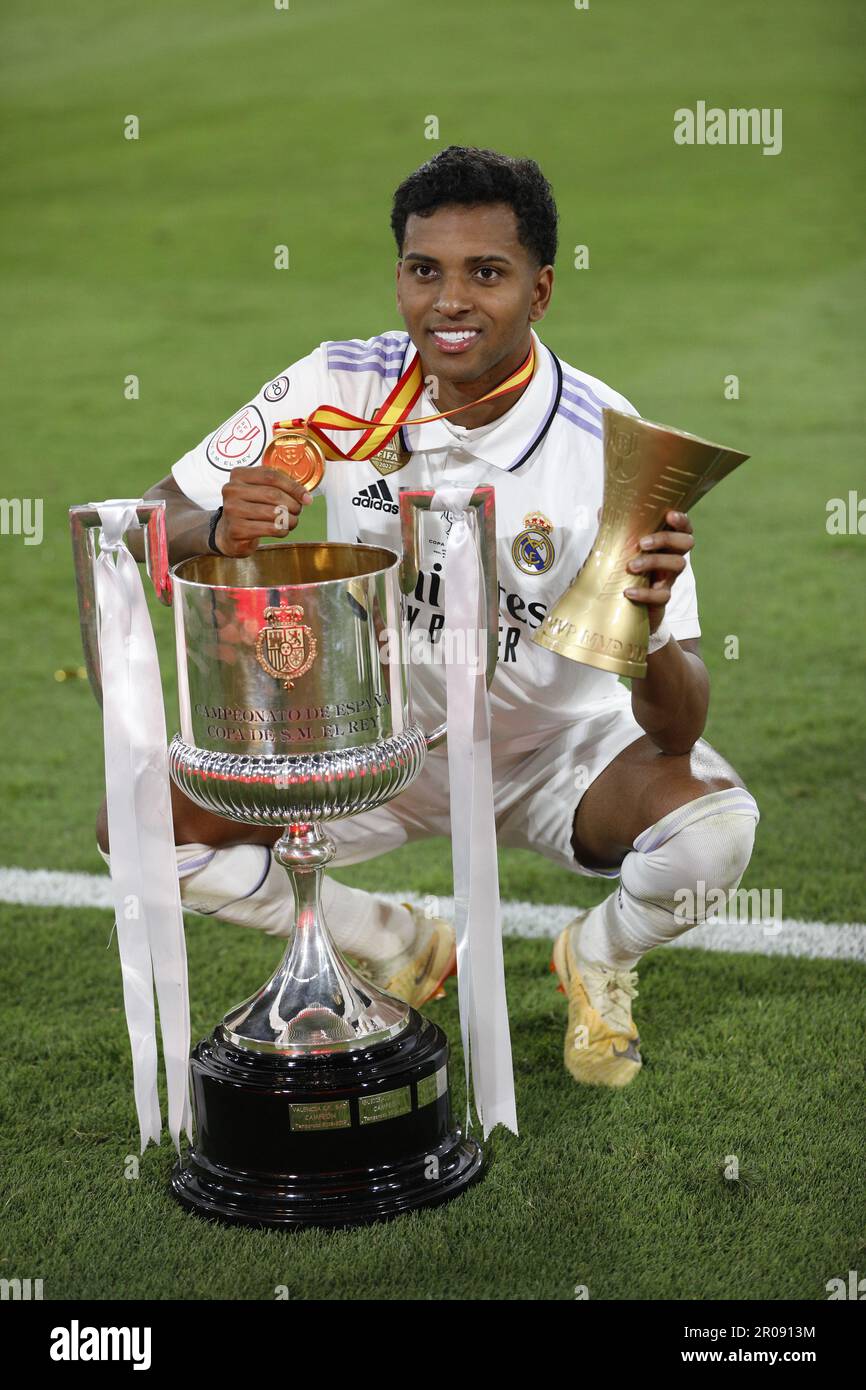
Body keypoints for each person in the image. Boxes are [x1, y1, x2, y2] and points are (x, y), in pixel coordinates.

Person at [96, 145, 760, 1088]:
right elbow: (143, 520)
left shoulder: (609, 447)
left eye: (485, 273)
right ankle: (393, 940)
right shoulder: (338, 385)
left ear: (540, 291)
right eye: (424, 270)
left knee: (716, 835)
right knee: (138, 826)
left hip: (552, 752)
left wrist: (647, 631)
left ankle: (600, 956)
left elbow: (679, 725)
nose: (448, 301)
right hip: (371, 736)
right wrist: (215, 522)